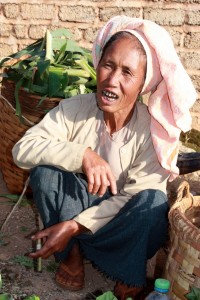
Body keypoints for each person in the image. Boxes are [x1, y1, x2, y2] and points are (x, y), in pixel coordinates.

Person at [12, 16, 196, 299]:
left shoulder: (154, 130)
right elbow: (22, 150)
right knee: (45, 173)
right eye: (108, 65)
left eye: (126, 72)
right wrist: (82, 154)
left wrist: (75, 225)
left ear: (142, 84)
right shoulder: (74, 109)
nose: (111, 81)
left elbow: (139, 196)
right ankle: (71, 253)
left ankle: (125, 270)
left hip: (118, 227)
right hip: (75, 208)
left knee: (153, 202)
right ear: (98, 65)